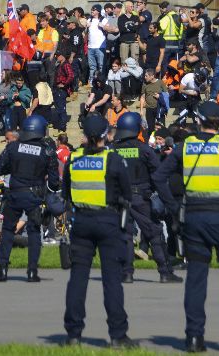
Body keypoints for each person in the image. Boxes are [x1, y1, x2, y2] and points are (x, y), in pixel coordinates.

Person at [153, 101, 219, 353]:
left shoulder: (184, 146)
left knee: (196, 279)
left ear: (199, 120)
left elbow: (159, 177)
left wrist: (173, 206)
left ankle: (193, 338)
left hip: (193, 218)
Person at [62, 115, 136, 348]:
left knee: (78, 278)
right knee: (112, 279)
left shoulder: (73, 159)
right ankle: (117, 334)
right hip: (108, 220)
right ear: (106, 135)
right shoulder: (112, 159)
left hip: (81, 221)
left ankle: (73, 334)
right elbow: (127, 193)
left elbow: (66, 194)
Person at [112, 112, 182, 284]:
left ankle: (126, 273)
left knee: (125, 235)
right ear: (137, 129)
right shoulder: (145, 150)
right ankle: (165, 272)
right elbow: (158, 176)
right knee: (154, 233)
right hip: (140, 197)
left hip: (119, 199)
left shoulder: (112, 150)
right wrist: (169, 202)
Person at [0, 115, 59, 282]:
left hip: (14, 193)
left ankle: (3, 269)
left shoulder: (13, 147)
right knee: (34, 231)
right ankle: (32, 271)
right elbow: (55, 180)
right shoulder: (47, 150)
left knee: (7, 230)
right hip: (35, 195)